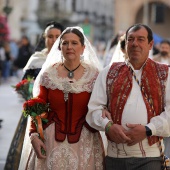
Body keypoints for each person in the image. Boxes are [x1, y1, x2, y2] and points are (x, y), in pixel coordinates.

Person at [19, 26, 105, 170]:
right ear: (60, 47)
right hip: (51, 141)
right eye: (65, 43)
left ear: (83, 48)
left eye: (74, 43)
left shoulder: (94, 75)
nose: (69, 47)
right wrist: (34, 134)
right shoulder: (49, 73)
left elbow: (100, 106)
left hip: (85, 142)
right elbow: (38, 106)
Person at [86, 23, 170, 170]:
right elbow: (93, 109)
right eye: (130, 39)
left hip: (149, 158)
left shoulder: (165, 74)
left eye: (140, 39)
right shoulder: (108, 72)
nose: (135, 44)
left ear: (150, 44)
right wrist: (108, 126)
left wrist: (148, 129)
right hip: (114, 156)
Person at [4, 21, 64, 170]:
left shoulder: (68, 60)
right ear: (44, 38)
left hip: (57, 115)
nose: (53, 40)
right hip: (35, 114)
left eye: (57, 36)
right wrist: (28, 94)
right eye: (50, 36)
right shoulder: (36, 59)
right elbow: (25, 81)